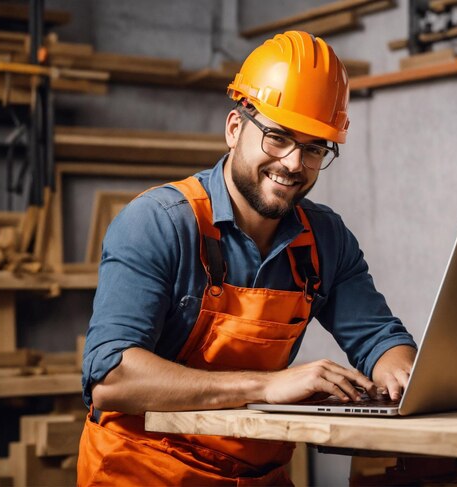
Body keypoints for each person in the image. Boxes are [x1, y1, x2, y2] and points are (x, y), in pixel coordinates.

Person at [77, 30, 417, 486]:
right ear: (235, 128)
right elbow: (111, 376)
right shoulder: (158, 222)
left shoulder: (326, 239)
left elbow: (378, 336)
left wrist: (405, 375)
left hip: (257, 476)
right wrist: (265, 386)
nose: (294, 163)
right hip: (145, 471)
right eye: (278, 137)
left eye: (315, 147)